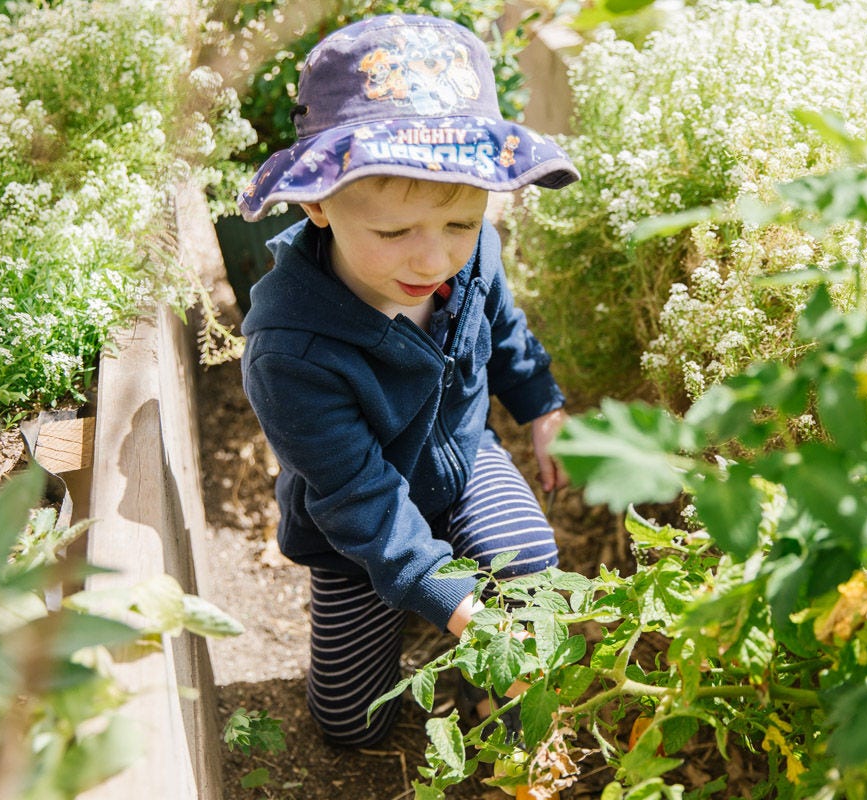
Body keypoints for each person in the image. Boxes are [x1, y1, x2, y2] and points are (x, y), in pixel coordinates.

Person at [235, 13, 579, 749]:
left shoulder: (470, 252)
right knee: (353, 725)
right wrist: (451, 603)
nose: (433, 260)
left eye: (459, 224)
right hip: (360, 535)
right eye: (394, 233)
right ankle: (414, 626)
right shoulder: (291, 349)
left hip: (462, 462)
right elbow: (362, 503)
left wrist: (542, 407)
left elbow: (505, 329)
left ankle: (506, 700)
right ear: (318, 204)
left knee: (528, 559)